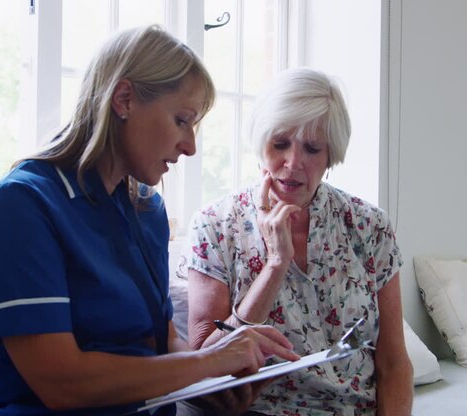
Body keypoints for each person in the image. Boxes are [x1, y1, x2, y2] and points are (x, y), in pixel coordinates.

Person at [0, 25, 299, 416]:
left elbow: (163, 342)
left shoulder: (146, 211)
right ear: (124, 99)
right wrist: (209, 361)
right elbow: (61, 384)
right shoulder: (22, 205)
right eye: (182, 120)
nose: (190, 146)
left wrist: (213, 384)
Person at [177, 67, 413, 416]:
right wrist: (275, 265)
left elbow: (393, 362)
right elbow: (205, 363)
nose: (292, 163)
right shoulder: (215, 226)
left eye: (312, 148)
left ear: (331, 155)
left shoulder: (369, 226)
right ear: (261, 144)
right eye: (280, 144)